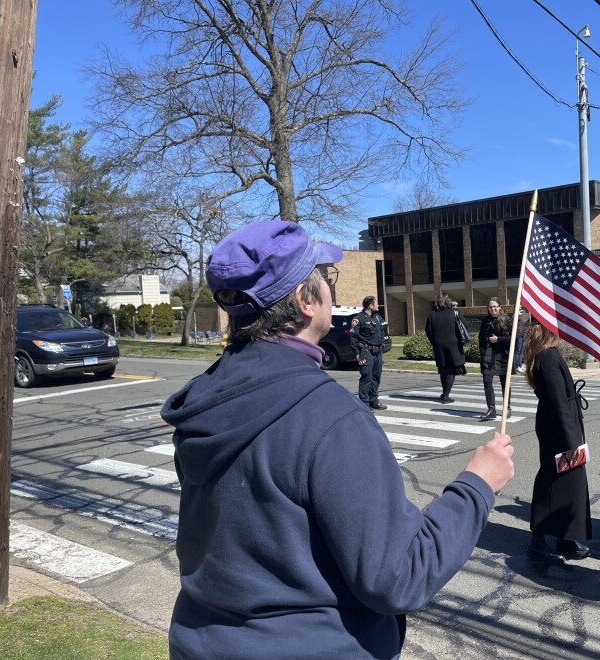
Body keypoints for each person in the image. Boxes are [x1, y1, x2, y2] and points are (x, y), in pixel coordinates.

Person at [161, 220, 515, 659]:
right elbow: (399, 577)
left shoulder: (206, 397)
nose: (332, 288)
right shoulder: (330, 417)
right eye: (326, 278)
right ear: (304, 301)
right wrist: (476, 485)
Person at [522, 323, 592, 563]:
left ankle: (565, 536)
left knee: (568, 486)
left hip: (557, 428)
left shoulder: (545, 355)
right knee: (553, 483)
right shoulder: (548, 357)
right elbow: (557, 404)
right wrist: (571, 441)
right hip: (558, 431)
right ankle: (538, 542)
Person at [424, 292, 467, 403]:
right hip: (454, 344)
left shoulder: (432, 314)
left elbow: (428, 331)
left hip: (439, 345)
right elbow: (465, 325)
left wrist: (434, 341)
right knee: (452, 370)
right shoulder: (455, 312)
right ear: (449, 302)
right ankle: (446, 395)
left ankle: (444, 392)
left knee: (443, 369)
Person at [350, 295, 388, 410]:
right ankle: (364, 404)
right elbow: (352, 337)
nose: (378, 305)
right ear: (370, 305)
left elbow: (382, 331)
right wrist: (357, 353)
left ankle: (374, 400)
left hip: (377, 353)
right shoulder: (359, 319)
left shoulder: (377, 317)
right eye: (376, 303)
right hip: (366, 352)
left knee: (376, 377)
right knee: (367, 377)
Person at [478, 297, 511, 421]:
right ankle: (491, 409)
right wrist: (482, 353)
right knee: (487, 380)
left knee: (505, 383)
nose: (493, 309)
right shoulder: (485, 321)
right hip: (488, 355)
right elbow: (481, 339)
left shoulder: (506, 320)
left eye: (495, 306)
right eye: (491, 307)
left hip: (502, 355)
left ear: (500, 307)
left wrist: (499, 339)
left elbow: (513, 339)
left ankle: (507, 407)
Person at [514, 308, 528, 374]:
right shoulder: (515, 316)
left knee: (520, 351)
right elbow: (513, 321)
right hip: (518, 335)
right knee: (518, 351)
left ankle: (519, 365)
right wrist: (517, 314)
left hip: (522, 335)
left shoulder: (520, 318)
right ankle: (516, 366)